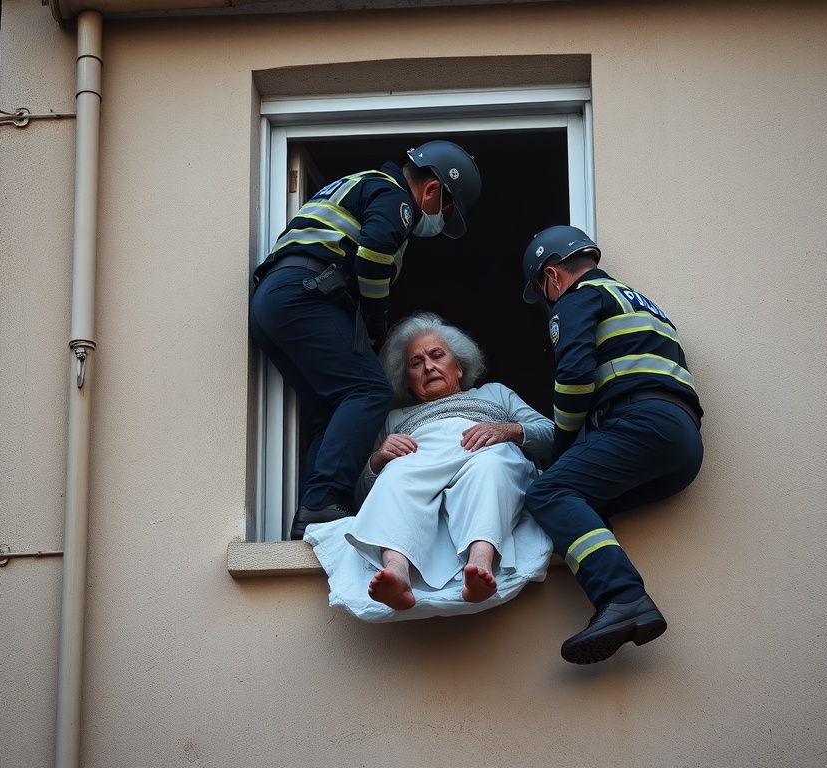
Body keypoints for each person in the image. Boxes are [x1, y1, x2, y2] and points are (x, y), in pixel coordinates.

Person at [249, 141, 481, 539]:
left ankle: (315, 515)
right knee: (369, 391)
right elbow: (373, 255)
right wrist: (376, 325)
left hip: (275, 299)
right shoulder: (394, 197)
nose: (439, 219)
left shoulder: (361, 183)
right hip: (307, 293)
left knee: (330, 409)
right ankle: (324, 501)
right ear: (431, 190)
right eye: (444, 208)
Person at [520, 225, 704, 664]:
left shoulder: (579, 298)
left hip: (641, 423)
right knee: (586, 505)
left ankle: (623, 599)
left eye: (545, 292)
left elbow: (576, 375)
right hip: (683, 444)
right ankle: (619, 602)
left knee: (550, 490)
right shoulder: (644, 305)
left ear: (553, 277)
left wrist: (559, 451)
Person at [303, 312, 554, 622]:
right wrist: (378, 459)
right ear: (407, 380)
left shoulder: (495, 393)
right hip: (421, 468)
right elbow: (364, 497)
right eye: (415, 363)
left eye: (437, 355)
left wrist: (509, 430)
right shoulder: (395, 419)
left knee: (492, 463)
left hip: (482, 456)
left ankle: (480, 565)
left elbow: (552, 436)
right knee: (395, 475)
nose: (428, 367)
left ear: (459, 366)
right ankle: (396, 573)